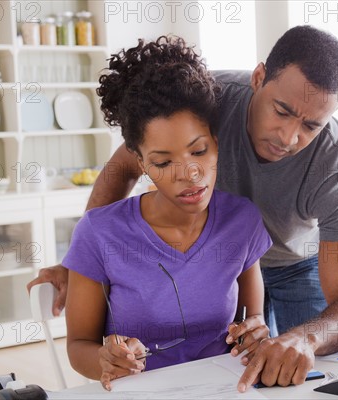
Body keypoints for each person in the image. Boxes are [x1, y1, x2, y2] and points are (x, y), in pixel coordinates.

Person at [28, 25, 338, 391]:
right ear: (258, 78)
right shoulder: (204, 101)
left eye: (311, 125)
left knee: (308, 374)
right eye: (282, 111)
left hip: (291, 259)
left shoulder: (337, 163)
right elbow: (125, 166)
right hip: (214, 256)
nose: (288, 138)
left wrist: (306, 338)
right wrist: (82, 262)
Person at [61, 36, 272, 391]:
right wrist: (105, 361)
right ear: (140, 162)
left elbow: (253, 322)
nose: (189, 174)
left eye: (199, 151)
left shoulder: (242, 221)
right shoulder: (99, 233)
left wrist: (255, 335)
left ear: (216, 144)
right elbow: (78, 345)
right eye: (162, 161)